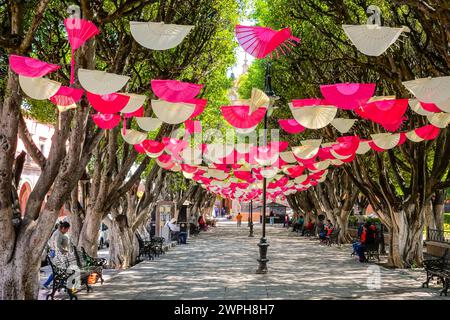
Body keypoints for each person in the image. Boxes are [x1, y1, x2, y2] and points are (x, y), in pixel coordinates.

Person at [43, 221, 71, 289]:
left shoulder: (59, 232)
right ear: (63, 228)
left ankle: (59, 283)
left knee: (59, 270)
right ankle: (50, 283)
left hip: (56, 253)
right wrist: (65, 251)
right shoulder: (58, 233)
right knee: (59, 270)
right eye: (67, 229)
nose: (67, 231)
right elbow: (57, 245)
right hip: (56, 254)